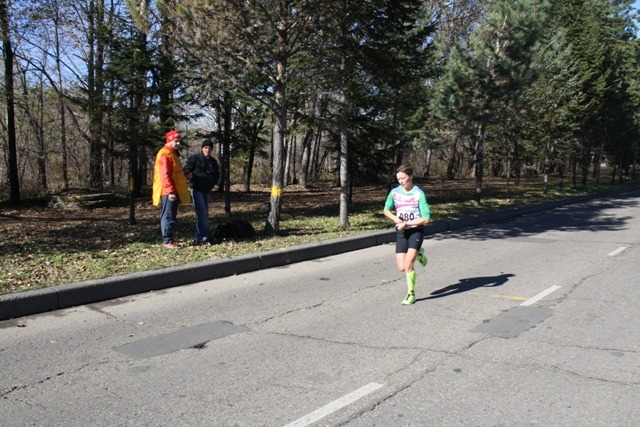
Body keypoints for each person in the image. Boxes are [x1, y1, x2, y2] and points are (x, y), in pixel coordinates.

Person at [383, 163, 431, 305]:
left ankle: (411, 294)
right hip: (402, 232)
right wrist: (396, 219)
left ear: (411, 177)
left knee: (408, 265)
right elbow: (386, 210)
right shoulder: (395, 192)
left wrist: (408, 224)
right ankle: (420, 254)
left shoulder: (418, 194)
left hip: (416, 230)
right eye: (399, 179)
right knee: (401, 267)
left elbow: (426, 219)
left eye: (403, 178)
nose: (401, 182)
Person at [152, 130, 191, 248]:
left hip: (174, 190)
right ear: (169, 141)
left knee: (171, 216)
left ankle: (170, 239)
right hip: (168, 191)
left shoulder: (172, 154)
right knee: (168, 215)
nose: (178, 143)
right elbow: (165, 175)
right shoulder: (165, 154)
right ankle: (167, 240)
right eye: (176, 141)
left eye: (179, 141)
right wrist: (170, 191)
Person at [183, 138, 220, 245]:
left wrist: (213, 183)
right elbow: (187, 168)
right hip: (196, 189)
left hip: (206, 190)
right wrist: (188, 174)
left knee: (203, 213)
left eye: (209, 148)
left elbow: (216, 174)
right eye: (206, 147)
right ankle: (205, 236)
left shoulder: (213, 162)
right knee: (202, 212)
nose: (207, 150)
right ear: (202, 148)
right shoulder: (195, 158)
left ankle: (199, 236)